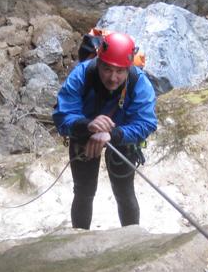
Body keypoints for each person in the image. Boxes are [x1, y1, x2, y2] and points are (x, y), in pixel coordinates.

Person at [52, 31, 157, 230]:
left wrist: (112, 135)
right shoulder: (82, 75)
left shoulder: (139, 82)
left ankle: (131, 238)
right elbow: (62, 116)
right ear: (98, 63)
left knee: (124, 191)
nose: (113, 78)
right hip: (85, 133)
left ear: (128, 69)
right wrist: (86, 125)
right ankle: (80, 237)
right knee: (84, 191)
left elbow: (146, 123)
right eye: (107, 69)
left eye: (120, 71)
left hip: (122, 135)